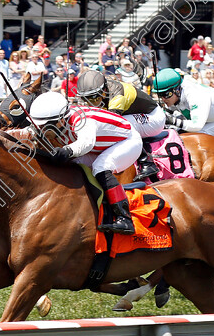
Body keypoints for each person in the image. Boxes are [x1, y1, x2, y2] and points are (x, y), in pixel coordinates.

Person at [31, 90, 141, 234]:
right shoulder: (59, 121)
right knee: (73, 164)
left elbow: (86, 143)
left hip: (128, 141)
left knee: (100, 167)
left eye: (45, 127)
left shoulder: (83, 120)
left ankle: (124, 218)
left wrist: (66, 151)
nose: (42, 130)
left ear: (61, 120)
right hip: (101, 145)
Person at [77, 69, 164, 180]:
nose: (91, 103)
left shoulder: (117, 96)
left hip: (154, 117)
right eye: (86, 98)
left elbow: (112, 125)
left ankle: (147, 162)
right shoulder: (103, 91)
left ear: (103, 90)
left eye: (94, 98)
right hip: (137, 114)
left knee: (123, 123)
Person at [151, 68, 214, 138]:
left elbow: (197, 126)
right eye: (159, 95)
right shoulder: (176, 95)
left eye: (166, 94)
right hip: (211, 117)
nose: (163, 98)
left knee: (196, 135)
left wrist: (172, 121)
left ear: (177, 90)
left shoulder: (195, 95)